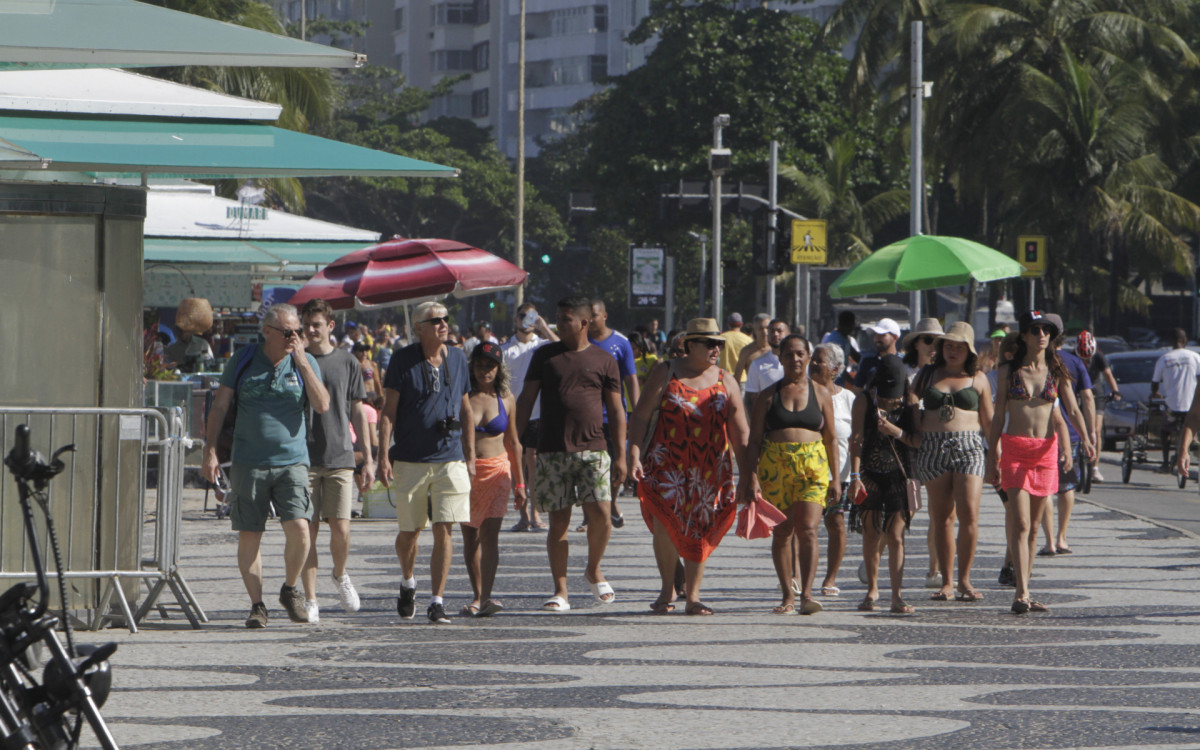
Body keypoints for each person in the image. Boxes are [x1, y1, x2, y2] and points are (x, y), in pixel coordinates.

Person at [202, 303, 331, 628]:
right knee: (250, 534)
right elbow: (219, 407)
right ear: (268, 332)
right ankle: (257, 605)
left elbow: (322, 404)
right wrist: (210, 450)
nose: (295, 337)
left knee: (300, 528)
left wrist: (302, 362)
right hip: (249, 462)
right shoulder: (244, 359)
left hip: (293, 461)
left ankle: (290, 589)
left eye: (298, 332)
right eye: (288, 333)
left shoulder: (305, 361)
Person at [628, 318, 750, 615]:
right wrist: (632, 453)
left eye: (719, 344)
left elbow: (740, 431)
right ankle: (666, 590)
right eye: (709, 344)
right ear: (689, 345)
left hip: (709, 470)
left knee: (700, 529)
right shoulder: (666, 372)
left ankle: (693, 596)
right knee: (664, 525)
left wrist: (749, 474)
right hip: (666, 466)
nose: (716, 349)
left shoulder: (726, 380)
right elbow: (641, 416)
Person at [515, 296, 627, 612]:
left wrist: (621, 454)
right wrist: (515, 441)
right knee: (558, 522)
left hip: (594, 448)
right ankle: (560, 590)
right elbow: (526, 400)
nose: (559, 324)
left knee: (601, 514)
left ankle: (593, 569)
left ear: (584, 323)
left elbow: (616, 409)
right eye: (558, 318)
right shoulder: (545, 356)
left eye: (566, 319)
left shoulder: (604, 359)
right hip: (553, 449)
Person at [986, 311, 1094, 615]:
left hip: (1045, 452)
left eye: (1046, 330)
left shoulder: (1057, 369)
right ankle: (1020, 592)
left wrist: (1086, 438)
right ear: (1024, 336)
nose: (1041, 335)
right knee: (1020, 523)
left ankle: (1026, 589)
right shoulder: (1008, 370)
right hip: (1015, 449)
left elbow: (1072, 409)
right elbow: (998, 414)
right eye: (1035, 330)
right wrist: (992, 454)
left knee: (1034, 528)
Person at [376, 300, 475, 625]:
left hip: (450, 458)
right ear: (418, 328)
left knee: (445, 527)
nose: (443, 324)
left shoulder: (458, 358)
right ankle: (408, 582)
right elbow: (388, 412)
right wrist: (382, 456)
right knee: (410, 531)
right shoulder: (402, 360)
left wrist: (471, 455)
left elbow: (466, 409)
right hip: (411, 458)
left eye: (445, 318)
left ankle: (437, 601)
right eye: (435, 320)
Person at [743, 335, 841, 615]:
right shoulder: (767, 396)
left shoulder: (821, 393)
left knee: (808, 529)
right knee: (783, 531)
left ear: (808, 357)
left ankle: (807, 594)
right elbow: (754, 440)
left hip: (813, 467)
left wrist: (835, 478)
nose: (795, 359)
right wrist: (750, 476)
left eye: (800, 354)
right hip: (776, 467)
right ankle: (788, 594)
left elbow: (831, 438)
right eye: (789, 354)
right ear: (781, 358)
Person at [298, 299, 375, 623]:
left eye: (316, 324)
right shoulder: (297, 359)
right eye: (306, 324)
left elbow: (358, 410)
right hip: (303, 457)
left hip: (340, 454)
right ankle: (311, 598)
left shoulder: (347, 361)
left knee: (341, 528)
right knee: (307, 532)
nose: (310, 330)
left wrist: (367, 458)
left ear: (330, 326)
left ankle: (340, 574)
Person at [912, 322, 994, 602]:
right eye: (949, 345)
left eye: (959, 346)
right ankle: (947, 582)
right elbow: (910, 405)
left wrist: (997, 456)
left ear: (969, 350)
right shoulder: (927, 374)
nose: (953, 351)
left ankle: (965, 580)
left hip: (969, 447)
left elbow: (989, 422)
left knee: (969, 513)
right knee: (942, 517)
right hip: (932, 447)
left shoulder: (978, 378)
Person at [848, 354, 918, 615]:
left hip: (901, 474)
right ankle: (872, 589)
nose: (891, 400)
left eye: (894, 396)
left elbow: (918, 440)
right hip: (870, 473)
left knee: (896, 535)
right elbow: (856, 440)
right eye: (886, 396)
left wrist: (894, 431)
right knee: (871, 533)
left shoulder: (910, 401)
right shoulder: (864, 400)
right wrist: (855, 477)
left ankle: (897, 596)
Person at [461, 342, 525, 617]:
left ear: (499, 369)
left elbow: (514, 442)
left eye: (490, 366)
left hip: (498, 471)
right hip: (467, 472)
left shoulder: (506, 398)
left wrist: (520, 484)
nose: (484, 371)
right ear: (472, 367)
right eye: (479, 365)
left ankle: (487, 596)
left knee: (490, 536)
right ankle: (476, 596)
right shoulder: (463, 396)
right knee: (470, 536)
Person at [1038, 333, 1095, 556]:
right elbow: (1085, 399)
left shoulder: (1035, 360)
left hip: (1041, 433)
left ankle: (1049, 541)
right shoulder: (1073, 362)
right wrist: (1089, 433)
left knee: (1045, 489)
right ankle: (1062, 537)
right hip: (1069, 433)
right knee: (1066, 486)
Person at [501, 302, 557, 532]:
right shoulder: (506, 349)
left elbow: (563, 348)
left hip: (538, 412)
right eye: (523, 316)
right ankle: (523, 514)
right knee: (516, 463)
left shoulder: (542, 345)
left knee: (534, 463)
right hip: (512, 415)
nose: (526, 320)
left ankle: (536, 512)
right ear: (515, 319)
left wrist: (544, 327)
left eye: (531, 316)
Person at [586, 299, 640, 529]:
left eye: (594, 315)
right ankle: (592, 510)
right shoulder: (580, 341)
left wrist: (637, 411)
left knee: (616, 462)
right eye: (587, 316)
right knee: (589, 466)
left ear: (604, 316)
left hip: (613, 415)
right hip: (586, 416)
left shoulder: (621, 343)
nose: (589, 320)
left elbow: (631, 379)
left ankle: (612, 500)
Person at [900, 316, 945, 590]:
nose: (933, 346)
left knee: (940, 512)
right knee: (909, 507)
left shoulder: (946, 371)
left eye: (939, 341)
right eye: (928, 340)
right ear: (916, 343)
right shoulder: (904, 371)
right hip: (910, 446)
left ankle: (934, 570)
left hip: (938, 445)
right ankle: (876, 556)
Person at [810, 343, 855, 597]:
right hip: (807, 472)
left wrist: (856, 475)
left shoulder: (848, 399)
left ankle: (830, 578)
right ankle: (798, 577)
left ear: (836, 369)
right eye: (813, 359)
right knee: (804, 526)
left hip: (838, 475)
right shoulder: (802, 393)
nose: (814, 364)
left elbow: (855, 440)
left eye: (821, 361)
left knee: (835, 523)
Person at [1150, 328, 1200, 471]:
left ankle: (1165, 462)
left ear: (1171, 341)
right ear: (1185, 340)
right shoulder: (1195, 357)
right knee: (1193, 425)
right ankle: (1193, 442)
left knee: (1165, 430)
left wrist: (1155, 393)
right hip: (1191, 404)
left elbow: (1155, 383)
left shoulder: (1164, 359)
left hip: (1172, 406)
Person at [1076, 330, 1120, 482]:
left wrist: (1115, 391)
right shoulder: (1073, 356)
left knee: (1096, 429)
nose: (1086, 360)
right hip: (1078, 391)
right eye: (1083, 358)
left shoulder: (1099, 357)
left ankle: (1095, 467)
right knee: (1075, 423)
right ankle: (1076, 459)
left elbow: (1108, 375)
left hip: (1096, 391)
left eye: (1088, 357)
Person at [743, 319, 790, 409]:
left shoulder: (799, 363)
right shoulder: (757, 364)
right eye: (772, 331)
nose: (775, 334)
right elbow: (750, 398)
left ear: (788, 333)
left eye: (779, 331)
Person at [853, 318, 902, 392]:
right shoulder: (868, 362)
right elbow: (857, 390)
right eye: (875, 335)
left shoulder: (904, 362)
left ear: (895, 337)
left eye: (882, 335)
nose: (876, 339)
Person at [821, 310, 862, 384]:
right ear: (846, 325)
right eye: (852, 326)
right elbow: (838, 367)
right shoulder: (836, 340)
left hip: (839, 383)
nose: (853, 329)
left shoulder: (844, 338)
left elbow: (855, 355)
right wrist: (854, 383)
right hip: (831, 383)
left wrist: (867, 363)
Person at [733, 313, 772, 382]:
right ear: (754, 330)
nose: (764, 331)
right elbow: (736, 378)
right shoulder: (746, 352)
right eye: (761, 328)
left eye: (767, 328)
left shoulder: (777, 350)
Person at [718, 312, 753, 383]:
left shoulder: (720, 338)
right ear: (741, 325)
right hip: (742, 378)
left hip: (723, 378)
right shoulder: (748, 340)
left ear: (728, 324)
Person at [352, 341, 384, 409]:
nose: (364, 353)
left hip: (372, 393)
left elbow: (377, 381)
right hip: (360, 395)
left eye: (366, 350)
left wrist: (381, 395)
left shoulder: (372, 364)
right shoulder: (352, 365)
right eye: (361, 350)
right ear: (355, 352)